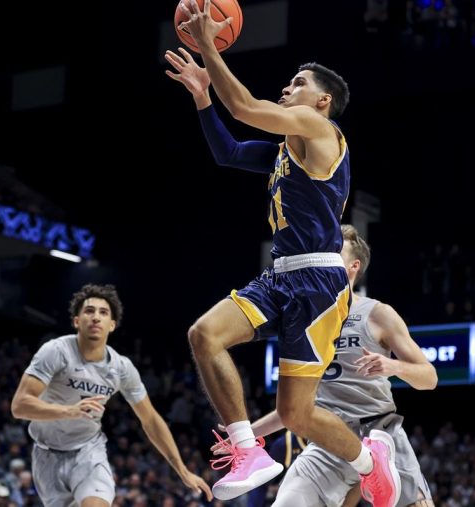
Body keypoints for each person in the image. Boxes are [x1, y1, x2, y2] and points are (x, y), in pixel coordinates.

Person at [166, 2, 399, 504]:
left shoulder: (323, 132)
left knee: (296, 414)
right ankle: (247, 449)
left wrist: (209, 44)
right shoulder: (283, 150)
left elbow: (247, 107)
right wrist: (204, 98)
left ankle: (367, 462)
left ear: (323, 101)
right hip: (279, 276)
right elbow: (228, 152)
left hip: (319, 281)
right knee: (203, 335)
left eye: (298, 83)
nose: (288, 88)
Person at [216, 225, 437, 507]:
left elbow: (429, 378)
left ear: (353, 266)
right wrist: (245, 434)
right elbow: (293, 408)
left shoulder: (377, 313)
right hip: (328, 438)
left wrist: (394, 368)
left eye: (334, 253)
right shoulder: (306, 319)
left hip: (380, 431)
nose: (325, 258)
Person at [10, 284, 212, 507]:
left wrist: (182, 470)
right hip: (46, 456)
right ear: (77, 321)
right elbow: (19, 406)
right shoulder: (55, 351)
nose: (96, 317)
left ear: (112, 325)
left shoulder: (121, 368)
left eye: (103, 313)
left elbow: (151, 420)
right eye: (89, 311)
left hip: (88, 453)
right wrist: (70, 411)